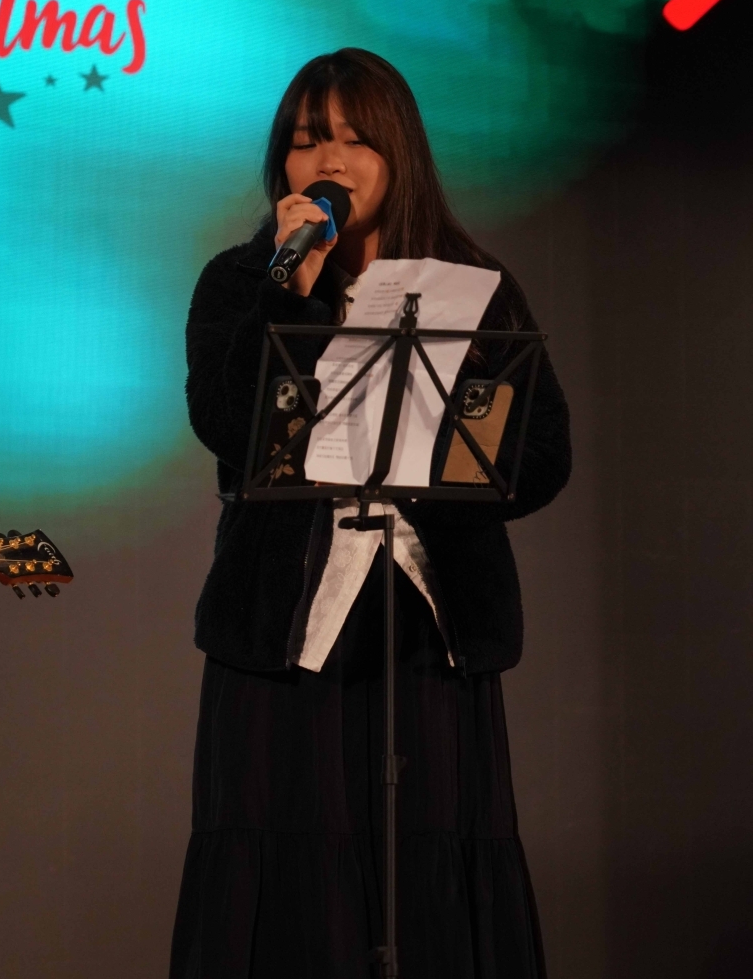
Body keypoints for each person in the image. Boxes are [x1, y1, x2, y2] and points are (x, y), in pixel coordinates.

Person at [173, 49, 571, 977]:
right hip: (283, 631)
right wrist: (290, 291)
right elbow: (225, 424)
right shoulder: (241, 281)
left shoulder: (475, 284)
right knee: (284, 878)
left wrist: (431, 459)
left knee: (425, 871)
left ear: (399, 154)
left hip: (428, 629)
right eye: (306, 139)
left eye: (355, 139)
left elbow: (542, 457)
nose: (329, 161)